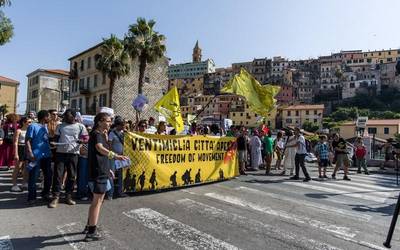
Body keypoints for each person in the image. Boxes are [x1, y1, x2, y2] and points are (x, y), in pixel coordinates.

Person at [83, 112, 128, 241]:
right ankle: (91, 232)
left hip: (102, 170)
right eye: (108, 121)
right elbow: (99, 148)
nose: (110, 123)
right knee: (97, 202)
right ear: (100, 122)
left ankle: (89, 225)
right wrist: (116, 156)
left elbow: (101, 156)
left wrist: (108, 169)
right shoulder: (97, 134)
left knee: (98, 201)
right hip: (98, 172)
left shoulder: (102, 134)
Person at [49, 109, 88, 208]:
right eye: (65, 116)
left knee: (72, 176)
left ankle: (68, 196)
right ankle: (55, 197)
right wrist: (53, 143)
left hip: (73, 154)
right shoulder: (60, 126)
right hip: (60, 153)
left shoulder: (80, 126)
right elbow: (56, 138)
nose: (65, 118)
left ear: (74, 117)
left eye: (68, 116)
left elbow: (86, 138)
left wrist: (82, 141)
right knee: (58, 175)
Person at [25, 110, 53, 204]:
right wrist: (30, 153)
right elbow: (28, 140)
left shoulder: (45, 127)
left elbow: (44, 140)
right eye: (48, 116)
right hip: (36, 156)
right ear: (44, 117)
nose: (49, 118)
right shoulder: (32, 126)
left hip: (46, 155)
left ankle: (45, 194)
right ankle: (31, 197)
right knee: (33, 177)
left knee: (48, 176)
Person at [11, 117, 31, 192]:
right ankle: (14, 184)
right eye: (28, 122)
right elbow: (15, 142)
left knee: (26, 167)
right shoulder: (19, 131)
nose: (30, 124)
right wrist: (16, 153)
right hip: (20, 148)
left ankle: (24, 183)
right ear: (23, 122)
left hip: (27, 148)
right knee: (18, 167)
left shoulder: (29, 131)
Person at [108, 117, 126, 198]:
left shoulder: (123, 133)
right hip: (114, 157)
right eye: (122, 125)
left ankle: (120, 192)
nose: (123, 127)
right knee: (112, 175)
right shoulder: (112, 133)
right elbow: (109, 146)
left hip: (122, 157)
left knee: (122, 175)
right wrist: (114, 156)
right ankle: (110, 194)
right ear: (117, 125)